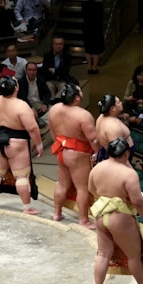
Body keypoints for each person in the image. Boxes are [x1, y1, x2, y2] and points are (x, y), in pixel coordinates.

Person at [88, 138, 143, 284]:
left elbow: (91, 189)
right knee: (133, 255)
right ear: (126, 153)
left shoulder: (97, 167)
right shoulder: (128, 173)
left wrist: (107, 198)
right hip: (120, 217)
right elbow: (137, 201)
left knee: (103, 254)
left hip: (100, 213)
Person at [0, 77, 43, 213]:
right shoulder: (21, 105)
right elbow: (33, 128)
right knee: (22, 176)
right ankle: (27, 207)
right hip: (17, 143)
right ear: (16, 88)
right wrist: (38, 144)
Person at [49, 84, 97, 225]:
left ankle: (57, 214)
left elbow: (53, 132)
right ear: (77, 98)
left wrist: (60, 144)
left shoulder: (54, 109)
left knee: (62, 184)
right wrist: (97, 154)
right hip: (78, 153)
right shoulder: (83, 115)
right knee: (82, 188)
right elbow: (93, 139)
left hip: (61, 149)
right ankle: (83, 220)